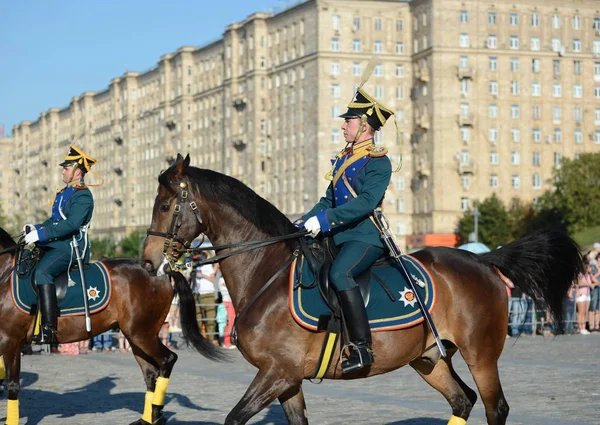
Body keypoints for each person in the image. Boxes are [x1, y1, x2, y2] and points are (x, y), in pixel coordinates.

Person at [294, 87, 394, 373]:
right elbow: (328, 200)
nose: (342, 126)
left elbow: (366, 203)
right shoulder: (343, 159)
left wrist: (325, 221)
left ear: (364, 125)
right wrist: (302, 222)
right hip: (337, 234)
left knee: (340, 273)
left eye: (348, 121)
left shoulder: (378, 161)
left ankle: (362, 347)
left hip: (364, 236)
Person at [23, 145, 97, 344]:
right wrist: (36, 228)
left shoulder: (82, 195)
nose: (63, 171)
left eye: (66, 168)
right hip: (57, 243)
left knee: (42, 272)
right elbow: (54, 221)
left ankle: (48, 328)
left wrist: (43, 234)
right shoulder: (63, 193)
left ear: (77, 171)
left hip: (71, 246)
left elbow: (71, 224)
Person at [576, 261, 593, 335]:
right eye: (589, 267)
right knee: (581, 312)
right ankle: (580, 327)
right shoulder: (580, 274)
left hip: (587, 294)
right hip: (581, 294)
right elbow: (578, 283)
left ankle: (584, 326)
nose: (591, 268)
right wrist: (587, 284)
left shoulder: (588, 275)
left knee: (585, 312)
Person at [588, 259, 600, 331]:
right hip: (594, 290)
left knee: (598, 309)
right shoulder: (593, 267)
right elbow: (592, 278)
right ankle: (591, 326)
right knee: (592, 308)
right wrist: (598, 271)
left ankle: (597, 325)